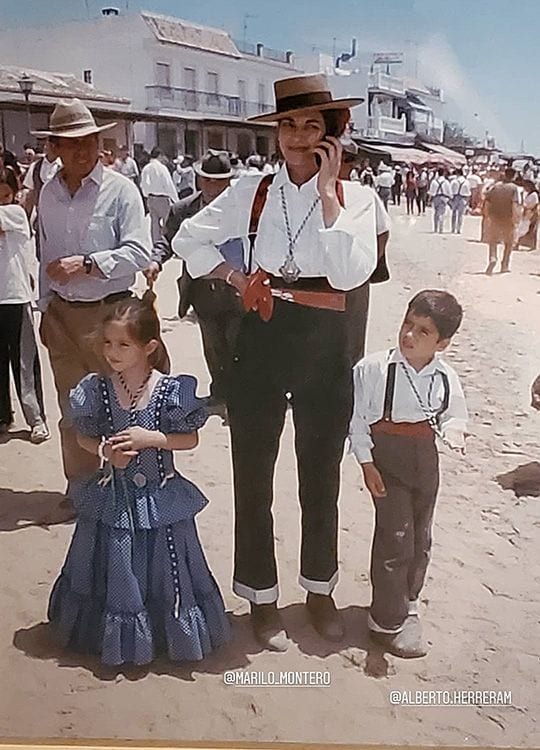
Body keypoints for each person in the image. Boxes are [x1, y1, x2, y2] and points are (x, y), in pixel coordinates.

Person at [172, 73, 386, 651]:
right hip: (264, 334)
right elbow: (187, 240)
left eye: (311, 126)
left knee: (319, 475)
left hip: (328, 338)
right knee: (254, 472)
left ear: (332, 134)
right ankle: (260, 597)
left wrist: (327, 193)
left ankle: (318, 591)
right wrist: (233, 275)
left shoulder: (360, 199)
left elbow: (348, 275)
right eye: (287, 125)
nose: (296, 136)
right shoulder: (251, 190)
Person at [48, 294, 230, 665]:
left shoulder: (170, 391)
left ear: (149, 347)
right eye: (108, 343)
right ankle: (115, 639)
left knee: (166, 567)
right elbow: (84, 434)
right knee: (116, 565)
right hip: (111, 500)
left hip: (159, 502)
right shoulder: (97, 389)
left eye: (123, 345)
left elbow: (190, 438)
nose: (112, 352)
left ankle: (163, 634)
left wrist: (153, 439)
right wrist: (104, 452)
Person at [34, 98, 167, 496]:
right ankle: (81, 490)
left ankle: (131, 488)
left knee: (125, 403)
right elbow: (43, 253)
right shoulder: (47, 194)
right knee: (74, 410)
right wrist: (44, 306)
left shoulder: (121, 190)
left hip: (112, 316)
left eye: (88, 141)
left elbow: (141, 251)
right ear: (54, 148)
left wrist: (88, 263)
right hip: (62, 316)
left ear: (98, 142)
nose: (81, 150)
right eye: (70, 142)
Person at [349, 290, 468, 658]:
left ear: (443, 342)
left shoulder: (445, 376)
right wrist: (367, 464)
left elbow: (455, 413)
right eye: (407, 324)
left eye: (422, 332)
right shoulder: (373, 369)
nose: (409, 336)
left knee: (420, 537)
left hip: (425, 461)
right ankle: (385, 622)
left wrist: (454, 432)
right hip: (388, 461)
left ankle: (409, 604)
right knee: (395, 538)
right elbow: (357, 422)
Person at [146, 151, 244, 416]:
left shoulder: (242, 209)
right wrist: (156, 261)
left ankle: (238, 397)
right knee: (213, 346)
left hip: (237, 291)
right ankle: (219, 393)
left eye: (220, 181)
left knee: (238, 345)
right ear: (199, 180)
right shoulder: (183, 209)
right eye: (208, 180)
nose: (213, 187)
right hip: (202, 292)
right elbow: (166, 240)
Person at [0, 174, 49, 442]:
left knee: (24, 364)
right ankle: (3, 416)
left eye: (5, 195)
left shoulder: (16, 214)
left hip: (14, 297)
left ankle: (36, 418)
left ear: (14, 195)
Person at [483, 167, 521, 274]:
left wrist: (487, 216)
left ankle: (492, 258)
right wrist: (516, 219)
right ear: (514, 176)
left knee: (493, 240)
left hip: (494, 217)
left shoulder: (496, 186)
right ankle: (504, 265)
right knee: (509, 243)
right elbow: (514, 204)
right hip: (508, 218)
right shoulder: (514, 188)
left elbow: (487, 202)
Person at [22, 138, 62, 232]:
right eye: (50, 144)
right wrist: (27, 219)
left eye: (56, 145)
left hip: (61, 216)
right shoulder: (35, 166)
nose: (53, 147)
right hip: (40, 218)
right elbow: (30, 194)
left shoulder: (65, 166)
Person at [140, 148, 178, 243]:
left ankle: (155, 244)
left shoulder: (146, 168)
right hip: (163, 198)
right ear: (160, 155)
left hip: (151, 198)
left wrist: (147, 195)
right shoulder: (161, 168)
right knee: (167, 223)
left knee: (154, 225)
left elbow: (143, 184)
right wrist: (176, 199)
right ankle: (167, 243)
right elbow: (168, 184)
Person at [515, 179, 538, 251]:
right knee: (524, 229)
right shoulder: (528, 194)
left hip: (531, 213)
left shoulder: (534, 195)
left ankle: (531, 245)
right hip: (527, 212)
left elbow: (535, 205)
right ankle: (519, 244)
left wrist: (530, 212)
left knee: (528, 229)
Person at [429, 168, 452, 233]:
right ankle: (441, 228)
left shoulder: (434, 181)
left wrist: (429, 199)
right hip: (444, 198)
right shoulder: (446, 182)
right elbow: (449, 191)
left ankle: (435, 228)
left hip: (436, 197)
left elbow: (431, 191)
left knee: (436, 213)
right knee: (442, 213)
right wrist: (450, 198)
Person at [450, 168, 472, 234]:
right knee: (460, 215)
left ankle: (453, 228)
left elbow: (451, 190)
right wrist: (467, 201)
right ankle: (459, 229)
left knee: (454, 213)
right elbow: (468, 192)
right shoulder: (466, 182)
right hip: (463, 198)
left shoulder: (454, 181)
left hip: (455, 197)